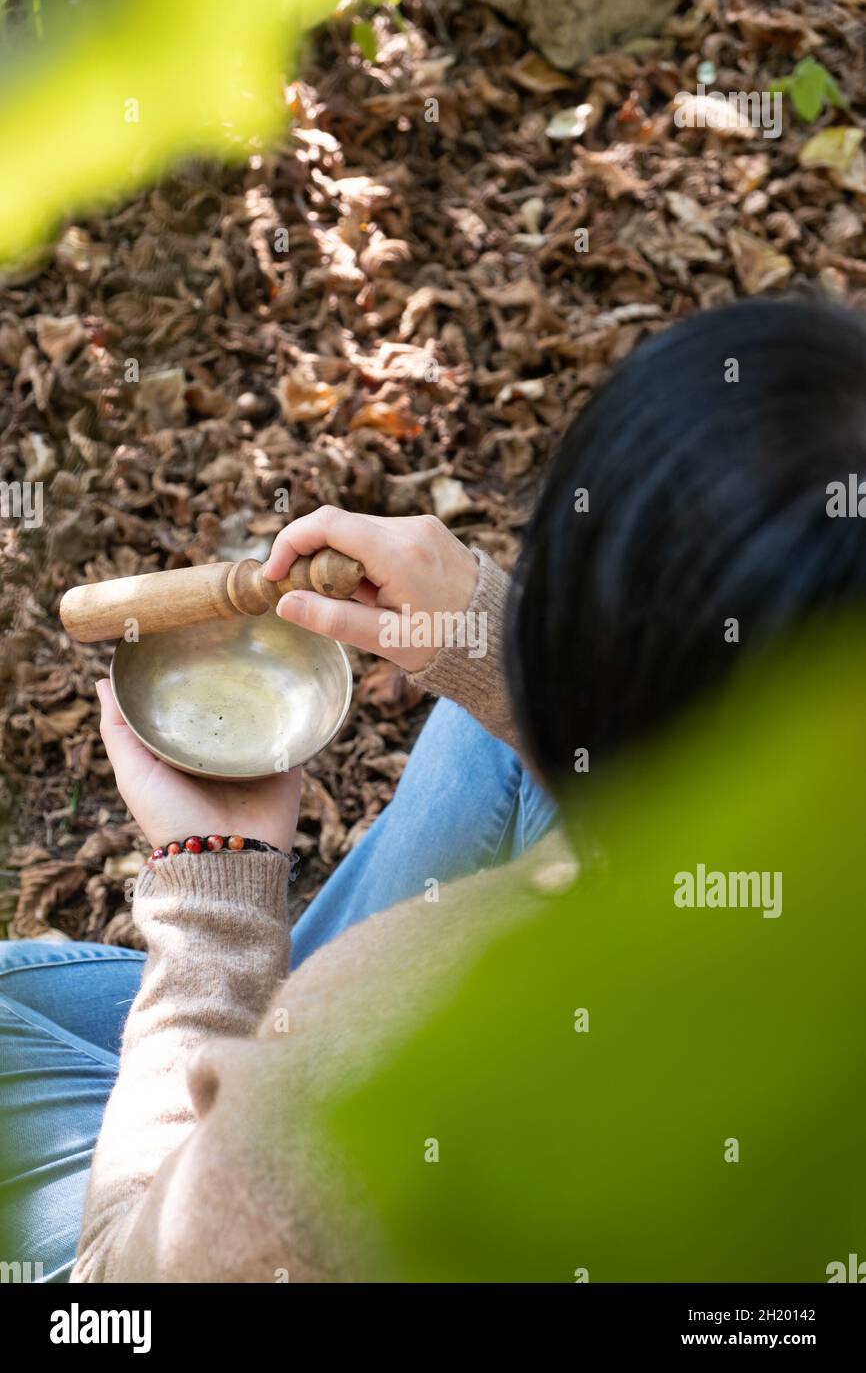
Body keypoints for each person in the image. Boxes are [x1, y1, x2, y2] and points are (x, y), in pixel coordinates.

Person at [2, 295, 865, 1281]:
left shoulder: (369, 1073)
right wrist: (487, 636)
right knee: (489, 741)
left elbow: (124, 1294)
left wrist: (216, 888)